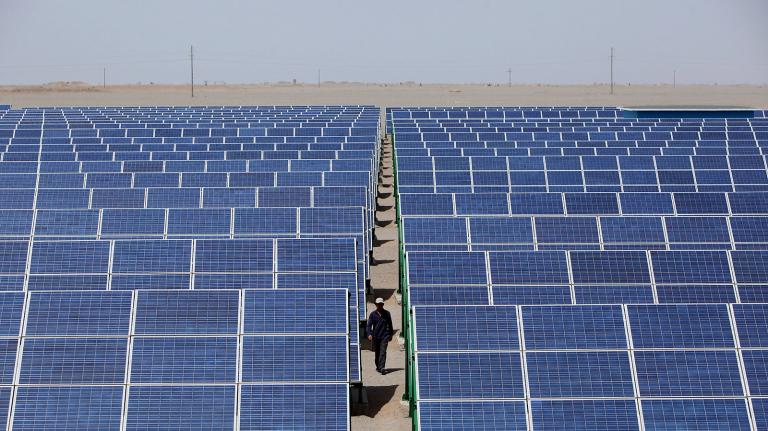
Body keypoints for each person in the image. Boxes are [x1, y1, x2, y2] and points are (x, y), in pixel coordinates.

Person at [366, 297, 394, 374]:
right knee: (377, 352)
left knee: (383, 352)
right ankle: (378, 366)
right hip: (376, 337)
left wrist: (390, 334)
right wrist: (369, 334)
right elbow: (369, 325)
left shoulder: (387, 314)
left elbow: (390, 324)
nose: (380, 306)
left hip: (384, 336)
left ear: (383, 305)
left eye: (381, 304)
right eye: (378, 304)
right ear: (376, 304)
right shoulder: (372, 314)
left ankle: (382, 367)